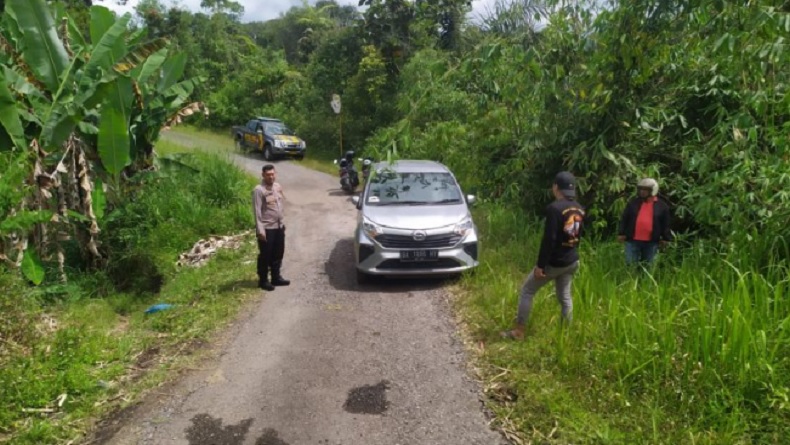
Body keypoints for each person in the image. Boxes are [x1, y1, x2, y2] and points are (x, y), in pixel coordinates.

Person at [501, 171, 585, 340]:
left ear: (556, 187)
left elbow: (549, 240)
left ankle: (519, 332)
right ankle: (566, 334)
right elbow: (578, 235)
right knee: (565, 297)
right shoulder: (580, 209)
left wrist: (541, 266)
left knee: (527, 290)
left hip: (555, 263)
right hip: (572, 260)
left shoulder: (554, 209)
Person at [617, 177, 672, 266]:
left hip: (652, 242)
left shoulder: (662, 206)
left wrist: (666, 238)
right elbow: (624, 218)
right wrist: (621, 233)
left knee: (649, 265)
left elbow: (665, 224)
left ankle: (646, 280)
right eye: (641, 189)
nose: (642, 192)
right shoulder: (633, 203)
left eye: (646, 190)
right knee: (630, 264)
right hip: (632, 240)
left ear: (653, 190)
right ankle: (631, 280)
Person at [252, 164, 290, 291]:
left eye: (273, 174)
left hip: (278, 226)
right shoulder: (259, 190)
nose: (271, 177)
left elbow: (280, 204)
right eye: (268, 175)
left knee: (278, 253)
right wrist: (260, 230)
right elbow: (257, 212)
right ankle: (263, 280)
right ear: (263, 175)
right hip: (267, 228)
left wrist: (283, 223)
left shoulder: (277, 187)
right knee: (265, 255)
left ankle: (276, 277)